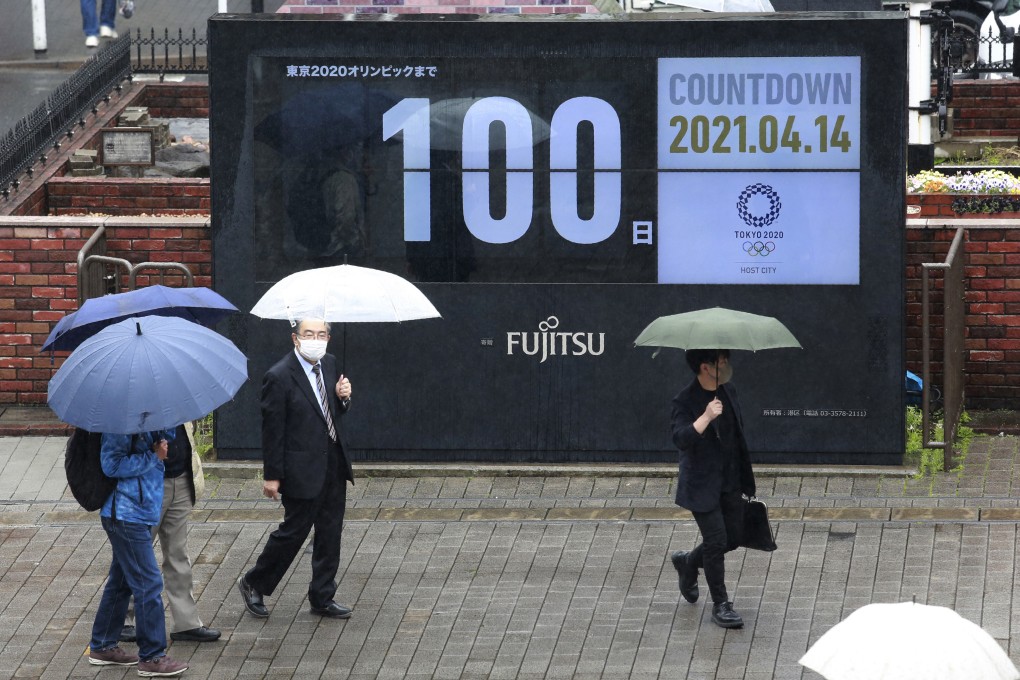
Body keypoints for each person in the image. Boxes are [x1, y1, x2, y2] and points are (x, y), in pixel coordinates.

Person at [238, 318, 355, 619]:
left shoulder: (329, 363)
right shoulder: (278, 376)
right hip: (301, 467)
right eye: (308, 334)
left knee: (330, 532)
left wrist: (344, 398)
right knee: (294, 531)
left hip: (333, 461)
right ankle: (255, 582)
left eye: (321, 334)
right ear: (295, 338)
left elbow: (331, 412)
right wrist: (272, 476)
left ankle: (322, 595)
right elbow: (273, 430)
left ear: (328, 337)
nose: (315, 339)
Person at [88, 430, 188, 677]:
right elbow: (111, 465)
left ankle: (102, 645)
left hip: (140, 512)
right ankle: (152, 657)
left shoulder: (149, 413)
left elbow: (169, 437)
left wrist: (163, 425)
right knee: (149, 582)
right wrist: (153, 456)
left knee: (121, 582)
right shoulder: (120, 422)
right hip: (124, 514)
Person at [669, 349, 756, 629]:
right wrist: (705, 417)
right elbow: (681, 439)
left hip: (729, 480)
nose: (726, 365)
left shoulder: (728, 391)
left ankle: (688, 562)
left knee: (732, 538)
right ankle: (721, 604)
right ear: (705, 367)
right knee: (716, 540)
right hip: (701, 485)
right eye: (721, 362)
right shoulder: (685, 400)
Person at [121, 424, 221, 644]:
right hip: (148, 484)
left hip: (182, 478)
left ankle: (186, 623)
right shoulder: (137, 399)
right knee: (136, 552)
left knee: (178, 553)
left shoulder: (176, 393)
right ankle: (122, 617)